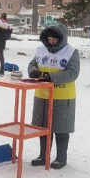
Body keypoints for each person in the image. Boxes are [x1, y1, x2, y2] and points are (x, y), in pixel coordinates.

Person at [28, 24, 80, 170]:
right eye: (49, 39)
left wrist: (51, 77)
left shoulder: (71, 52)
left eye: (54, 39)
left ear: (61, 39)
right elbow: (33, 63)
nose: (51, 42)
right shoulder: (40, 50)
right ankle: (43, 155)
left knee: (61, 128)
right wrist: (32, 70)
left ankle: (61, 158)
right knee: (43, 127)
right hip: (42, 96)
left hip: (62, 97)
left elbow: (73, 73)